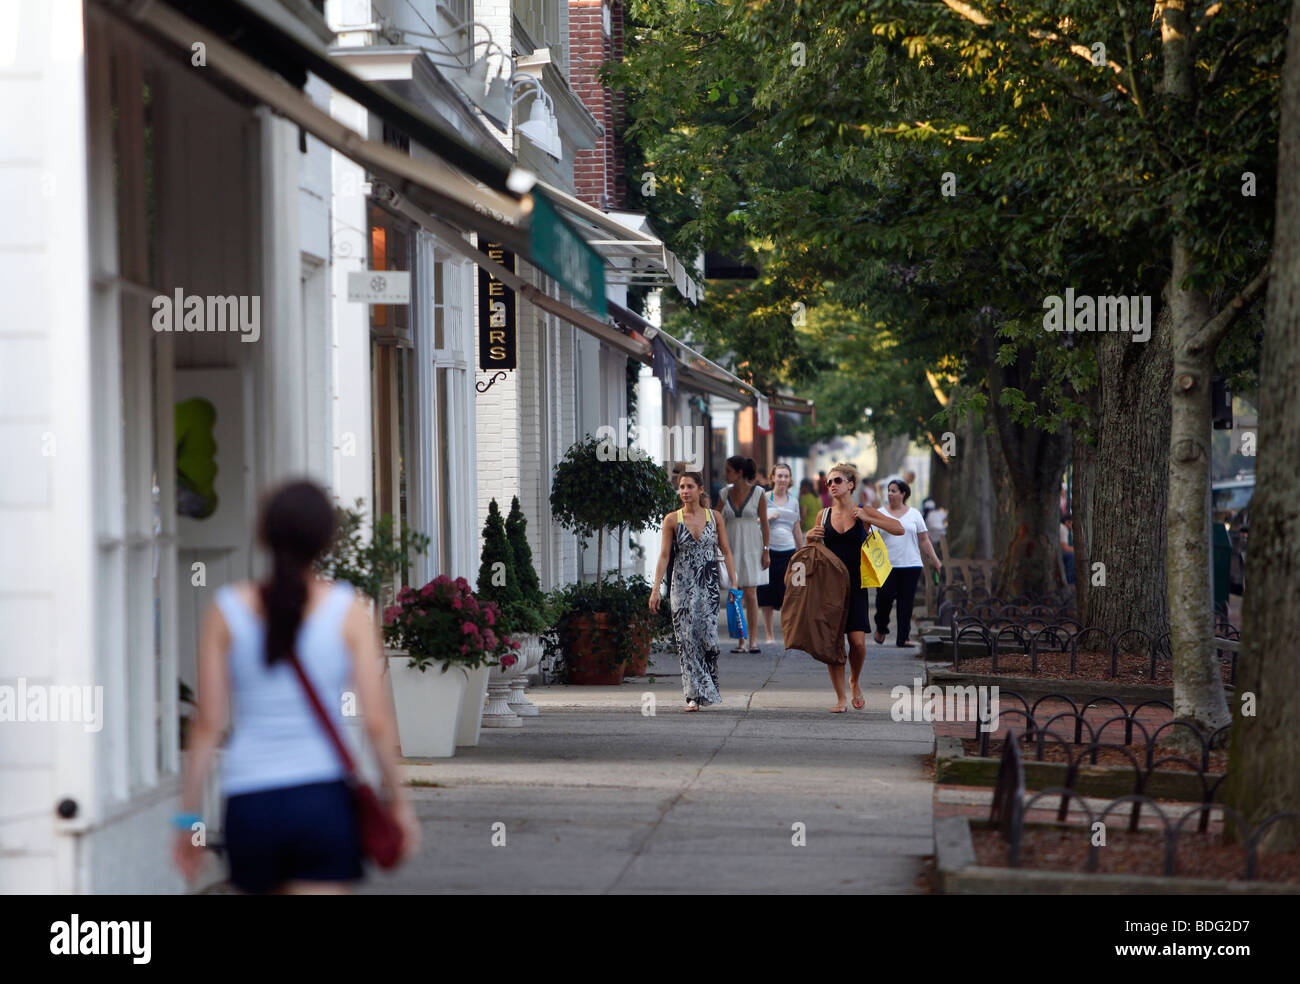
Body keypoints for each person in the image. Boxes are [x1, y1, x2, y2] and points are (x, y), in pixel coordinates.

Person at [173, 480, 419, 893]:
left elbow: (207, 723)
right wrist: (400, 804)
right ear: (327, 540)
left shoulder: (227, 609)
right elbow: (376, 721)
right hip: (321, 801)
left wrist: (188, 819)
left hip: (250, 802)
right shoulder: (350, 610)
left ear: (263, 534)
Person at [806, 463, 904, 712]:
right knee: (834, 644)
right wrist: (809, 539)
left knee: (858, 643)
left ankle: (854, 680)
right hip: (830, 587)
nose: (832, 486)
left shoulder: (864, 511)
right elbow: (813, 552)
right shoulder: (824, 515)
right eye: (829, 482)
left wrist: (868, 518)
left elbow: (899, 529)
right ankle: (840, 697)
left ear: (850, 484)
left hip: (857, 584)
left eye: (837, 480)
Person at [649, 472, 739, 711]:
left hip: (708, 587)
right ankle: (693, 695)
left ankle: (708, 688)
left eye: (690, 486)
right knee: (686, 641)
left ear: (700, 490)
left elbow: (726, 551)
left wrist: (734, 584)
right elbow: (664, 556)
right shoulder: (672, 520)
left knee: (709, 641)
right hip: (682, 587)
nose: (685, 491)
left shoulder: (715, 517)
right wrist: (656, 588)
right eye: (681, 487)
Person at [874, 478, 943, 648]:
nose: (890, 494)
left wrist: (935, 560)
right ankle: (881, 627)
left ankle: (903, 638)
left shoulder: (914, 514)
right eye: (889, 491)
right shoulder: (880, 512)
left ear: (903, 493)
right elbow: (871, 538)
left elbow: (924, 540)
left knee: (906, 602)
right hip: (886, 565)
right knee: (884, 598)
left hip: (911, 564)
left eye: (894, 491)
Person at [720, 455, 770, 653]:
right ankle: (740, 640)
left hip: (752, 546)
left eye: (728, 470)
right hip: (731, 547)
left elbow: (765, 523)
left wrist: (766, 550)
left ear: (739, 473)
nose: (725, 474)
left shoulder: (758, 493)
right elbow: (715, 518)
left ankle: (753, 641)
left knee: (750, 593)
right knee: (735, 594)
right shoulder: (724, 494)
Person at [757, 463, 805, 646]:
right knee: (766, 595)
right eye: (780, 476)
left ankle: (788, 634)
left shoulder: (793, 501)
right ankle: (769, 635)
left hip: (788, 551)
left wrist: (801, 553)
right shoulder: (764, 498)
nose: (783, 479)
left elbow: (797, 528)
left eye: (786, 476)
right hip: (767, 550)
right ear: (773, 477)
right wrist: (767, 518)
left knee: (788, 595)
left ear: (790, 479)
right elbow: (754, 522)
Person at [1060, 512, 1075, 585]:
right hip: (1060, 554)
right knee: (1071, 556)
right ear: (1067, 522)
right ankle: (1071, 582)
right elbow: (1064, 548)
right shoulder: (1063, 528)